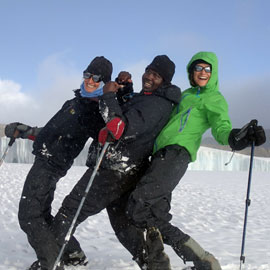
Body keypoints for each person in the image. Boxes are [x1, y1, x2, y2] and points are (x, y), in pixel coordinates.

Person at [122, 51, 266, 270]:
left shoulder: (214, 98)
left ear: (213, 73)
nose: (203, 72)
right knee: (155, 215)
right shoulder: (185, 94)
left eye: (208, 69)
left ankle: (198, 260)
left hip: (177, 153)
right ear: (191, 71)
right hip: (161, 155)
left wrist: (236, 138)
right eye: (198, 68)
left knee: (137, 207)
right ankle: (194, 262)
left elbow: (221, 126)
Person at [46, 55, 181, 270]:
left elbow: (120, 129)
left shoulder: (157, 104)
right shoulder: (150, 98)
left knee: (69, 212)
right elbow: (132, 112)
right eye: (148, 70)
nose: (149, 76)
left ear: (165, 81)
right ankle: (153, 265)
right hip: (125, 170)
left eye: (156, 75)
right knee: (122, 226)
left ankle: (50, 262)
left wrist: (108, 95)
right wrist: (126, 89)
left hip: (112, 169)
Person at [4, 56, 114, 270]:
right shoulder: (74, 102)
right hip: (44, 158)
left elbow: (106, 135)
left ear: (104, 82)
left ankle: (51, 264)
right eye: (87, 74)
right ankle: (73, 253)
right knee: (42, 215)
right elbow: (50, 131)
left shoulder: (96, 110)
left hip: (52, 164)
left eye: (97, 77)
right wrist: (25, 131)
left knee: (29, 216)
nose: (90, 80)